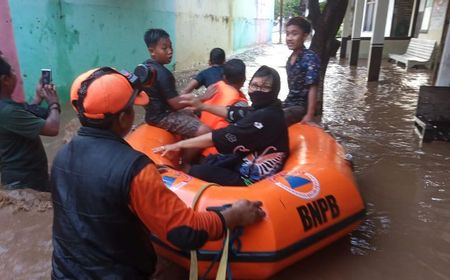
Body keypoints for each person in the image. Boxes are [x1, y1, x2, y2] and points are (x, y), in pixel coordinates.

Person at [50, 67, 265, 279]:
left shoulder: (61, 157)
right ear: (125, 118)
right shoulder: (135, 169)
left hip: (63, 272)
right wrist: (232, 215)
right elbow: (186, 232)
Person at [154, 66, 289, 186]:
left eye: (265, 87)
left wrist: (177, 145)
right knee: (210, 161)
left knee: (195, 171)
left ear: (275, 90)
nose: (258, 91)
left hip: (249, 179)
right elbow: (234, 112)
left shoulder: (266, 117)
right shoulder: (263, 108)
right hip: (241, 160)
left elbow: (221, 137)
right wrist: (202, 106)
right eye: (254, 85)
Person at [0, 54, 60, 192]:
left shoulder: (6, 108)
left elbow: (21, 119)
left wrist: (37, 98)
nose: (16, 74)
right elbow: (52, 128)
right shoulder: (8, 112)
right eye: (13, 71)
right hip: (26, 182)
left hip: (16, 179)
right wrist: (54, 103)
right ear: (5, 80)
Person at [142, 28, 211, 139]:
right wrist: (203, 97)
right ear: (152, 51)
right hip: (162, 117)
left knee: (195, 112)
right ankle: (186, 157)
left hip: (152, 114)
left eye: (171, 47)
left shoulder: (145, 67)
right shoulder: (164, 74)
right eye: (164, 48)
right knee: (206, 131)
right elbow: (176, 104)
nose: (170, 51)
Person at [283, 16, 321, 126]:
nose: (289, 38)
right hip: (289, 103)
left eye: (294, 34)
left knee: (274, 117)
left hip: (300, 107)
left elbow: (313, 87)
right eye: (287, 34)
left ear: (304, 36)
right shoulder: (290, 59)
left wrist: (309, 115)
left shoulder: (310, 58)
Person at [198, 58, 248, 130]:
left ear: (224, 78)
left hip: (201, 131)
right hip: (215, 138)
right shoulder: (241, 103)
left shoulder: (213, 88)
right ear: (244, 79)